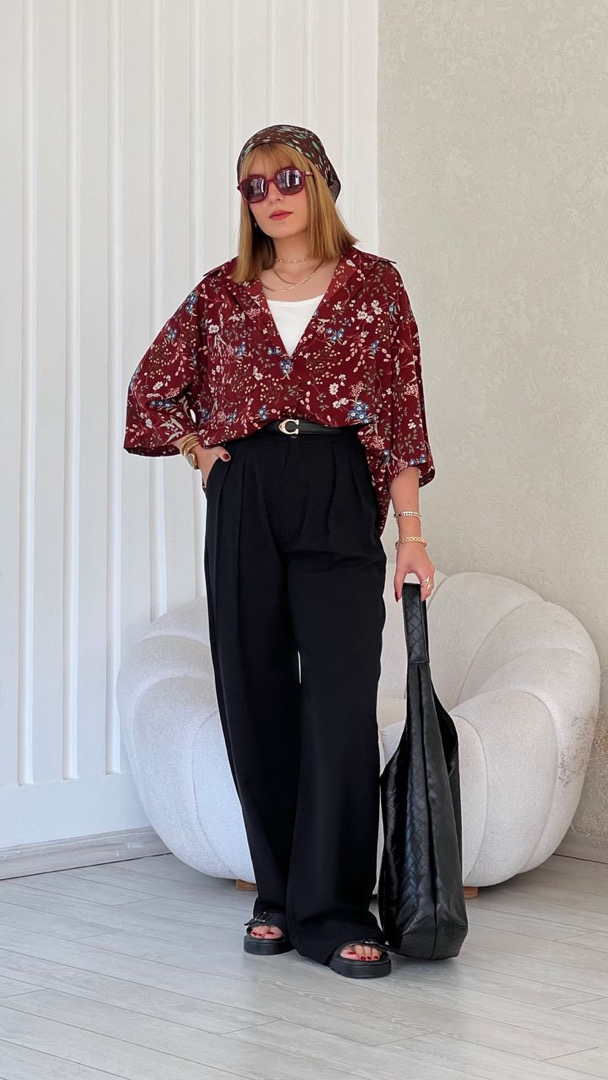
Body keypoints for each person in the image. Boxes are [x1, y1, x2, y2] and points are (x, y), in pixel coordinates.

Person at [124, 123, 436, 979]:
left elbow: (403, 416)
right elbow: (151, 392)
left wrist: (411, 536)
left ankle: (335, 910)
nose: (272, 198)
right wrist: (199, 450)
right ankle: (277, 895)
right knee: (254, 694)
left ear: (322, 183)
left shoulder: (375, 286)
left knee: (339, 702)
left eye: (288, 178)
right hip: (248, 489)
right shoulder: (221, 293)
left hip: (338, 488)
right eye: (254, 186)